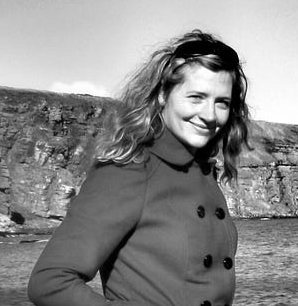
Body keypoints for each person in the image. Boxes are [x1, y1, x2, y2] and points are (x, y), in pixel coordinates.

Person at [29, 30, 251, 306]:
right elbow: (50, 282)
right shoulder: (129, 168)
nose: (209, 115)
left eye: (222, 102)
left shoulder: (205, 172)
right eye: (196, 97)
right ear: (161, 95)